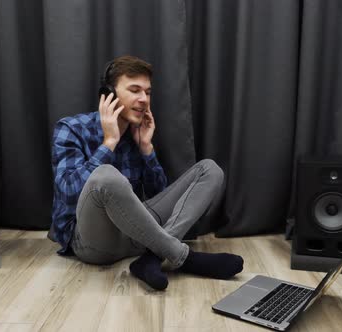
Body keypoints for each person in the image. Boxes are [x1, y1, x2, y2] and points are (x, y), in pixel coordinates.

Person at [48, 55, 243, 290]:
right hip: (92, 243)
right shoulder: (70, 128)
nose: (144, 100)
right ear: (108, 94)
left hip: (138, 234)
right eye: (135, 90)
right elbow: (67, 191)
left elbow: (160, 199)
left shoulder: (137, 133)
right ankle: (183, 257)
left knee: (211, 170)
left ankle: (152, 258)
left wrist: (147, 149)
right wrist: (109, 143)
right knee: (105, 175)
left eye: (148, 92)